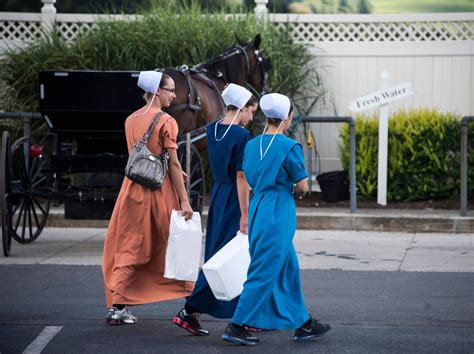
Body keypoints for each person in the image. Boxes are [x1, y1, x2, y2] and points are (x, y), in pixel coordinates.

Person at [222, 93, 331, 345]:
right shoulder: (289, 146)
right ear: (287, 118)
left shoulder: (251, 144)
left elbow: (247, 178)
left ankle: (303, 323)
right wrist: (291, 190)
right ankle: (236, 326)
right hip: (279, 210)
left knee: (288, 268)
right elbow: (303, 186)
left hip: (259, 205)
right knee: (263, 270)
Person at [102, 70, 194, 325]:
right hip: (158, 192)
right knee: (170, 244)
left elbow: (144, 155)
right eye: (170, 90)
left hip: (131, 191)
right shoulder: (166, 121)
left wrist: (168, 165)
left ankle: (118, 305)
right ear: (156, 91)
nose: (174, 95)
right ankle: (191, 302)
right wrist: (184, 200)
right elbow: (173, 164)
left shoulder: (131, 119)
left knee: (130, 245)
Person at [173, 84, 258, 335]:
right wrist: (245, 213)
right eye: (250, 111)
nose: (252, 117)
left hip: (219, 193)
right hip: (233, 195)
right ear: (241, 108)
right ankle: (191, 310)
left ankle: (241, 313)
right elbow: (241, 176)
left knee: (218, 252)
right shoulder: (242, 136)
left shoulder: (212, 130)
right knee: (232, 255)